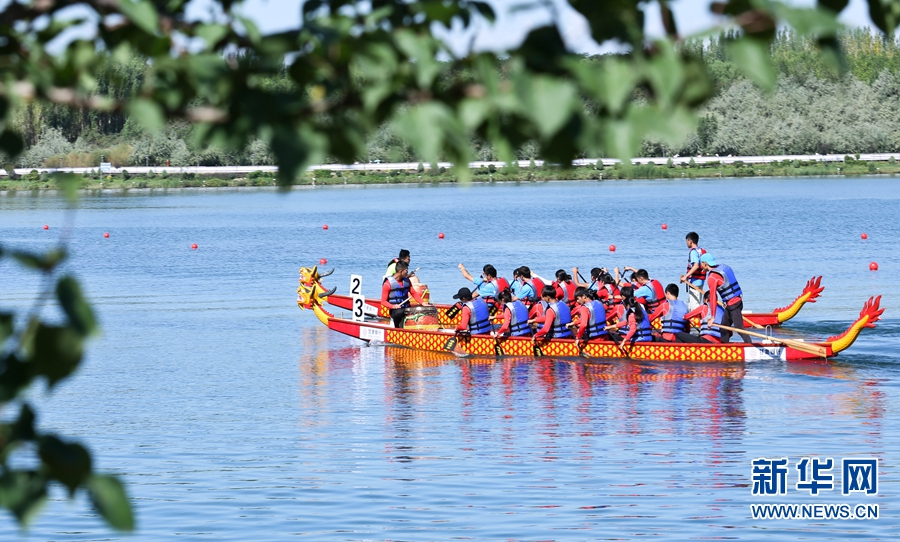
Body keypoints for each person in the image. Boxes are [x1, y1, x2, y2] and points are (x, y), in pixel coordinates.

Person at [701, 253, 753, 343]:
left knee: (739, 328)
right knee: (723, 329)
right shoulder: (722, 267)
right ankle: (724, 347)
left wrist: (712, 317)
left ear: (705, 263)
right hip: (735, 303)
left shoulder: (712, 277)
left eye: (701, 263)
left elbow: (713, 297)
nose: (700, 266)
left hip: (733, 304)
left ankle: (750, 347)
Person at [380, 261, 425, 327]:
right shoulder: (387, 283)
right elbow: (383, 301)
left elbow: (413, 293)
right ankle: (398, 329)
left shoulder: (407, 281)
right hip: (395, 310)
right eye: (406, 270)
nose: (407, 272)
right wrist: (393, 306)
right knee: (399, 312)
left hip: (406, 308)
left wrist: (423, 303)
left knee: (421, 310)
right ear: (400, 271)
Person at [679, 232, 706, 310]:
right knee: (693, 304)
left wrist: (686, 277)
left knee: (694, 307)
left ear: (690, 241)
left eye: (686, 241)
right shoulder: (700, 250)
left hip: (695, 282)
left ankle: (696, 321)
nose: (686, 243)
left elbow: (696, 266)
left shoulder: (693, 252)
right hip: (700, 281)